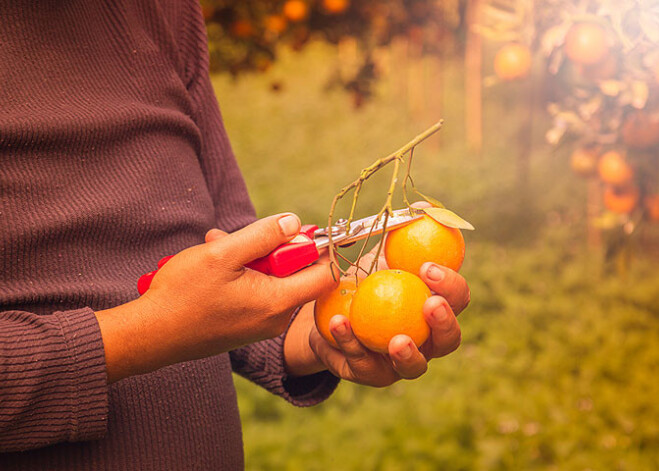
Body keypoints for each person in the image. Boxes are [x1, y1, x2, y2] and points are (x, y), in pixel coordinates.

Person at [0, 0, 469, 469]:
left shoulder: (163, 10)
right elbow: (177, 316)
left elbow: (224, 243)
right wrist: (140, 332)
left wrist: (311, 327)